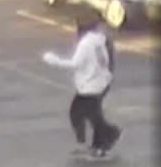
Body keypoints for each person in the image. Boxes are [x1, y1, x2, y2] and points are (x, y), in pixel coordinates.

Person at [42, 15, 120, 158]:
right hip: (100, 83)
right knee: (90, 114)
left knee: (81, 114)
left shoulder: (86, 44)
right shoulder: (99, 40)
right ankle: (97, 144)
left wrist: (53, 60)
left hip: (90, 87)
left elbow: (75, 64)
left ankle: (107, 136)